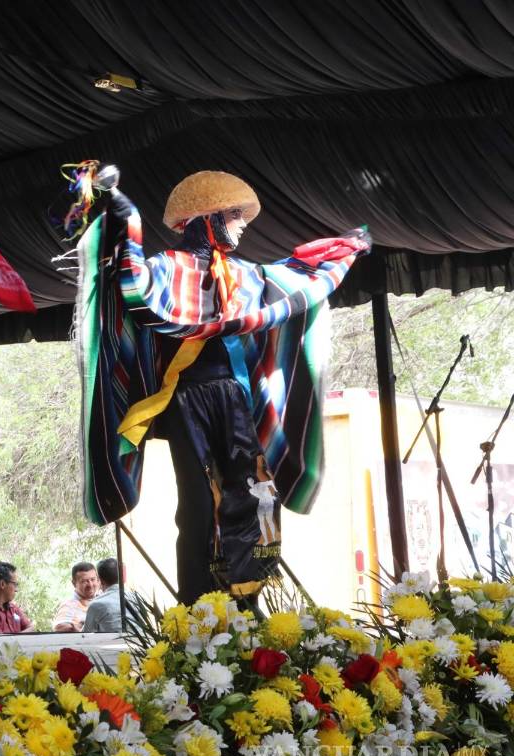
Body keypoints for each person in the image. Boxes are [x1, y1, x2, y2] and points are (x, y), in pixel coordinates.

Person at [75, 170, 370, 608]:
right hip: (186, 398)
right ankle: (198, 609)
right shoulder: (161, 271)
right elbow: (126, 280)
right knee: (198, 504)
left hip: (236, 399)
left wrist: (341, 252)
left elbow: (294, 282)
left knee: (255, 494)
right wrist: (120, 207)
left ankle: (247, 604)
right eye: (234, 214)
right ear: (205, 218)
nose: (243, 223)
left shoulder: (246, 276)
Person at [52, 561, 99, 632]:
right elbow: (59, 626)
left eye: (93, 579)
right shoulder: (69, 604)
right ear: (74, 583)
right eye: (84, 581)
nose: (90, 585)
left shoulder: (102, 598)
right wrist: (82, 627)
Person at [82, 557, 124, 633]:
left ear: (100, 580)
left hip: (112, 644)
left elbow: (85, 636)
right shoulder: (136, 598)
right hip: (140, 644)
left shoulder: (97, 604)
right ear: (123, 577)